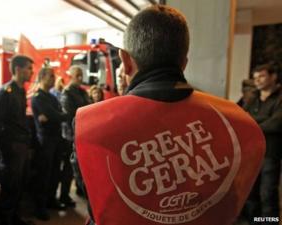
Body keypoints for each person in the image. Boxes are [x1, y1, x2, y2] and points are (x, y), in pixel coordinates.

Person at [73, 5, 265, 225]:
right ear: (184, 63)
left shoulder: (89, 126)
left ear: (125, 61)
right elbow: (246, 210)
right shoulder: (240, 123)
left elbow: (95, 204)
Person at [0, 55, 33, 225]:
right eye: (29, 68)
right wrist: (7, 149)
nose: (31, 72)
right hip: (12, 148)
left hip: (22, 145)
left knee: (19, 186)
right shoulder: (5, 92)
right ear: (18, 69)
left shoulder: (21, 91)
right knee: (9, 187)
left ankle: (14, 217)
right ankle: (5, 219)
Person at [242, 64, 282, 224]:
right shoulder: (252, 97)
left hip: (271, 153)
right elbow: (241, 117)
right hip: (252, 152)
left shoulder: (280, 98)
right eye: (255, 77)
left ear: (273, 77)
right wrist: (259, 122)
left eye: (262, 76)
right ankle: (254, 221)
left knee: (267, 193)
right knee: (250, 191)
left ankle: (268, 223)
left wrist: (252, 124)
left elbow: (277, 124)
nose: (257, 80)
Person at [31, 67, 68, 220]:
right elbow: (55, 115)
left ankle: (51, 200)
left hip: (56, 138)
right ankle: (40, 208)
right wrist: (57, 116)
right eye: (51, 76)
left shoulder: (52, 97)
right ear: (42, 77)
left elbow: (57, 115)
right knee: (44, 174)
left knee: (54, 172)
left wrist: (55, 116)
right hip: (45, 141)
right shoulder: (37, 97)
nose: (54, 78)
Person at [60, 65, 89, 205]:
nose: (80, 78)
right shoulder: (67, 93)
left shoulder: (82, 92)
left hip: (82, 134)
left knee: (82, 167)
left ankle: (79, 189)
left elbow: (90, 107)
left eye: (81, 75)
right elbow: (70, 114)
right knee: (68, 168)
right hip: (71, 136)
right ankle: (64, 195)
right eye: (77, 75)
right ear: (70, 76)